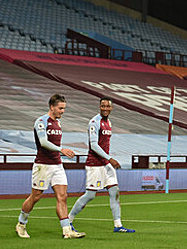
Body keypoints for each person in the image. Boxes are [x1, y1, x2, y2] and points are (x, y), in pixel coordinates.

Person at [15, 94, 85, 239]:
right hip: (43, 166)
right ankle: (21, 224)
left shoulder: (58, 123)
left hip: (57, 165)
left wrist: (60, 153)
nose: (63, 111)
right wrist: (61, 150)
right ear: (52, 107)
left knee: (62, 196)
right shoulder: (41, 121)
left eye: (64, 108)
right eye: (60, 108)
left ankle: (67, 231)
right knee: (36, 196)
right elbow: (43, 142)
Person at [69, 97, 135, 233]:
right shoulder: (94, 122)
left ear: (111, 108)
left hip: (105, 164)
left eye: (107, 106)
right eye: (102, 106)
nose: (105, 108)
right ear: (99, 107)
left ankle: (118, 225)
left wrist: (108, 160)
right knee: (90, 195)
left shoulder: (109, 122)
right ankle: (68, 221)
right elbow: (93, 145)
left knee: (114, 192)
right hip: (95, 164)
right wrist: (110, 158)